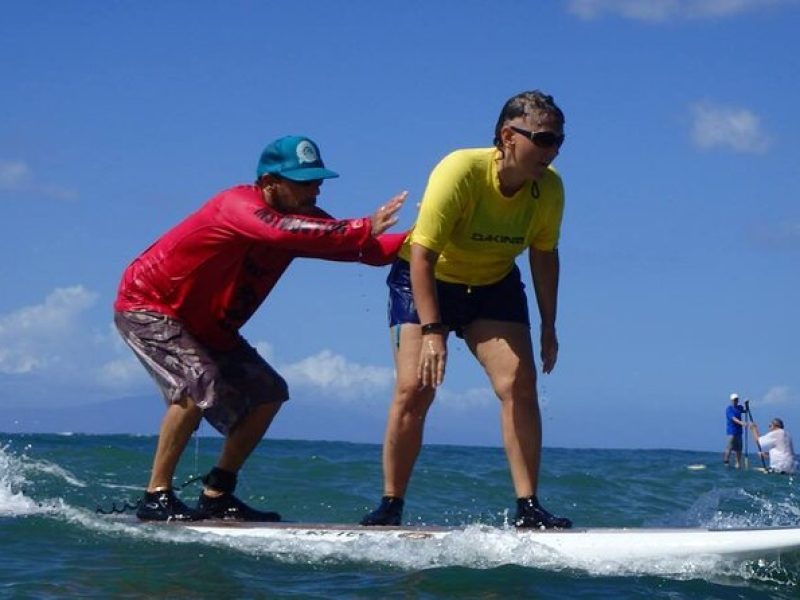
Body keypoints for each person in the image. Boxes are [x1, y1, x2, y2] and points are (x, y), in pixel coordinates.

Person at [115, 135, 407, 522]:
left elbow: (365, 250)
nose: (316, 188)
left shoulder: (304, 222)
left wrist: (427, 240)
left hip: (209, 325)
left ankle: (217, 493)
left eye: (318, 180)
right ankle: (156, 496)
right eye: (304, 181)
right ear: (269, 182)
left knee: (269, 393)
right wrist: (361, 225)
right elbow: (279, 231)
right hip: (149, 304)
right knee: (194, 382)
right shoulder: (236, 205)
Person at [360, 90, 571, 529]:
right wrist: (433, 329)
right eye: (544, 139)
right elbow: (421, 254)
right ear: (508, 137)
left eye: (558, 142)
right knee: (414, 389)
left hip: (493, 284)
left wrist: (549, 323)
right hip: (425, 279)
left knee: (519, 384)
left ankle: (528, 507)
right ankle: (390, 505)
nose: (552, 151)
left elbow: (544, 255)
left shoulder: (549, 189)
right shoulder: (460, 170)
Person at [723, 393, 746, 468]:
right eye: (734, 400)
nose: (735, 401)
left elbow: (745, 411)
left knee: (739, 448)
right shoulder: (729, 409)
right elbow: (733, 418)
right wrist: (741, 423)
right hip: (732, 431)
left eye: (736, 400)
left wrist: (747, 405)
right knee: (730, 447)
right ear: (731, 400)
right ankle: (726, 462)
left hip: (739, 432)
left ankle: (738, 463)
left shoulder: (740, 407)